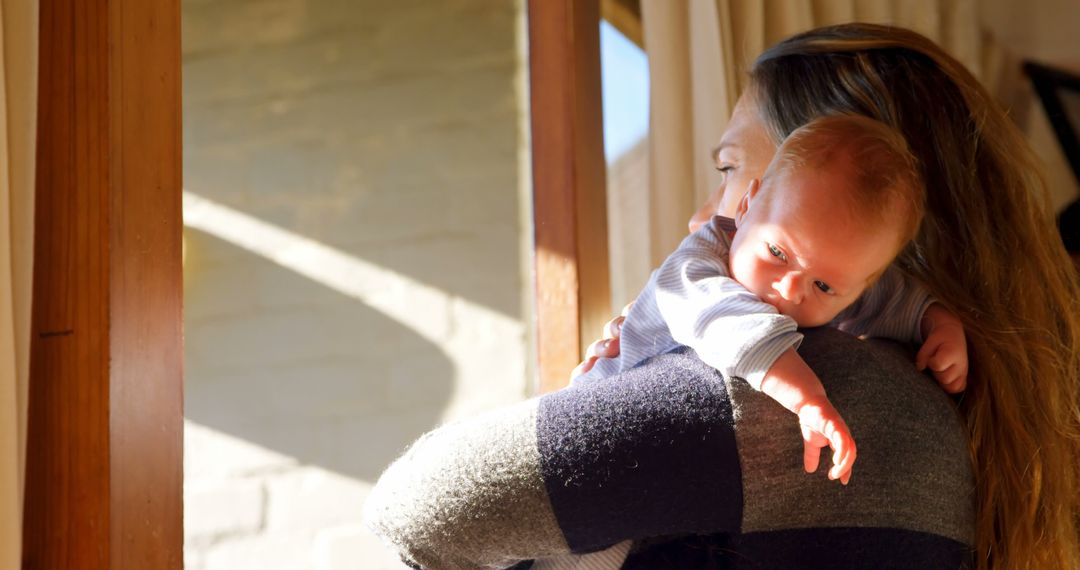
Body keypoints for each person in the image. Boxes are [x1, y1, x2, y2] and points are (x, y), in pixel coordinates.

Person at [364, 23, 1080, 569]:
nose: (703, 215)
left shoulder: (808, 395)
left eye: (731, 167)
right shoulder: (938, 424)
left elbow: (418, 504)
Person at [576, 113, 969, 487]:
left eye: (824, 287)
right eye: (778, 254)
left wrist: (936, 323)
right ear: (746, 208)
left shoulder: (832, 274)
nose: (790, 289)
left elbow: (890, 301)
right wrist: (808, 398)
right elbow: (731, 324)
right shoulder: (694, 268)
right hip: (594, 426)